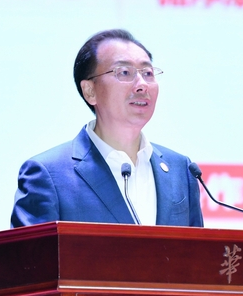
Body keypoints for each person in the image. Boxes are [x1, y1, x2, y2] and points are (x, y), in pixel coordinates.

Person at [10, 29, 203, 228]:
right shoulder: (49, 174)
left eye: (148, 73)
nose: (142, 85)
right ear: (90, 91)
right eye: (124, 72)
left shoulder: (181, 170)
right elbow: (33, 249)